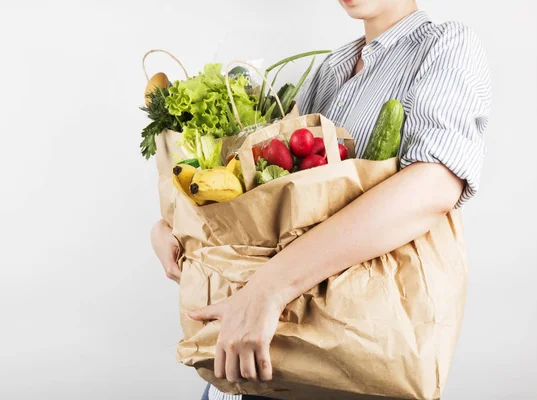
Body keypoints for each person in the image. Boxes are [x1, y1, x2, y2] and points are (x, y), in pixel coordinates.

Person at [151, 0, 491, 399]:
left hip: (356, 350)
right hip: (263, 345)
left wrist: (268, 289)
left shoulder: (445, 45)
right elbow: (270, 200)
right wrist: (176, 227)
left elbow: (433, 186)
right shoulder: (330, 71)